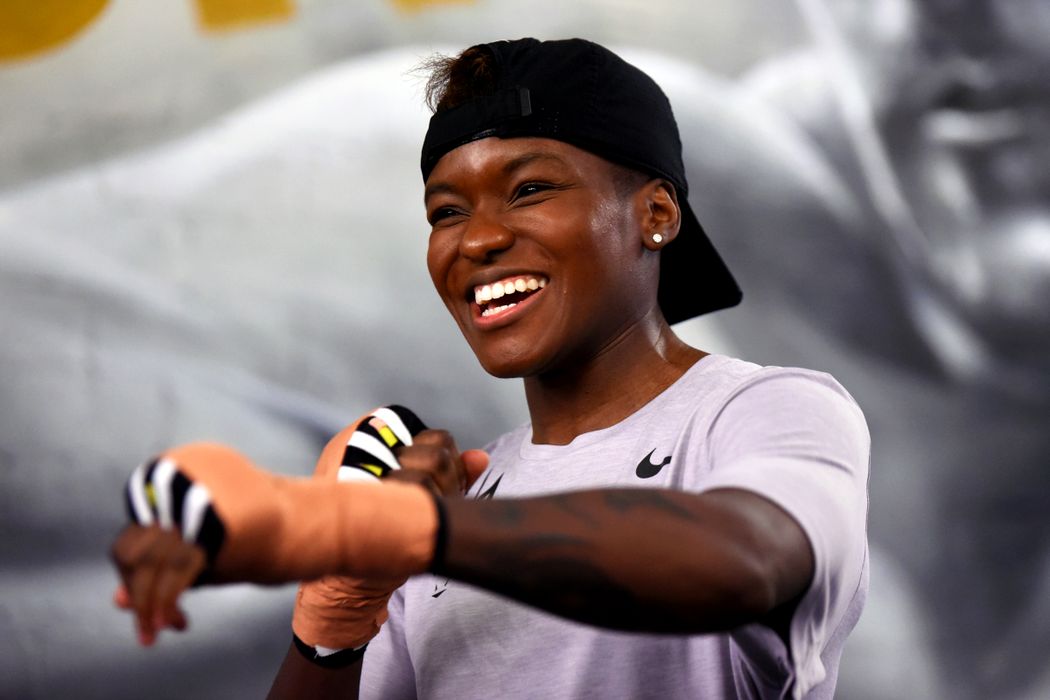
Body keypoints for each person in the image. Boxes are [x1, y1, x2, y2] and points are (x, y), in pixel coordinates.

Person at [110, 38, 870, 699]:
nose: (475, 241)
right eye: (446, 211)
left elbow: (744, 560)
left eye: (529, 190)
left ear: (656, 214)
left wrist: (357, 523)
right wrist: (332, 621)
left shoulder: (766, 409)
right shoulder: (451, 503)